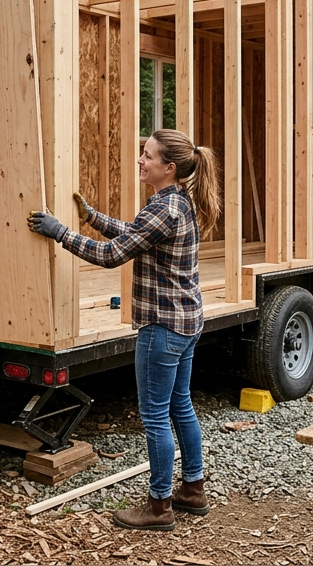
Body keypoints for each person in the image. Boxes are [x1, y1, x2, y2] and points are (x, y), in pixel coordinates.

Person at [28, 129, 222, 531]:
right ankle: (193, 489)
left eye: (148, 156)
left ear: (169, 168)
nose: (140, 160)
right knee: (180, 406)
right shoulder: (177, 201)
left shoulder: (163, 209)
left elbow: (113, 255)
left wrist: (60, 232)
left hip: (162, 327)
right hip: (186, 322)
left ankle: (159, 506)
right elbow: (136, 237)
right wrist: (92, 218)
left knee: (154, 416)